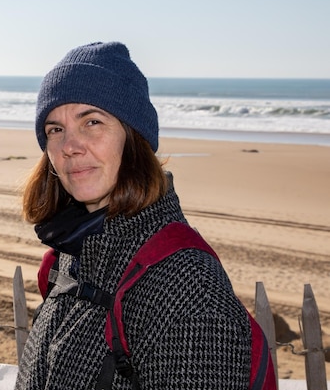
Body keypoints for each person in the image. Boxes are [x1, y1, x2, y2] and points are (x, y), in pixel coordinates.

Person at [15, 42, 267, 389]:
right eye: (55, 129)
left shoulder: (187, 288)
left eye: (92, 121)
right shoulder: (70, 258)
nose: (69, 146)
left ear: (133, 138)